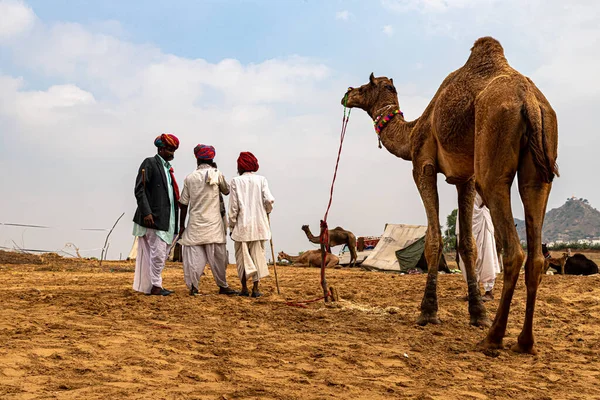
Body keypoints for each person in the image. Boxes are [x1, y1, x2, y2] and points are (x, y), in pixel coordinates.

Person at [178, 144, 238, 296]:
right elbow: (226, 190)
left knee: (194, 260)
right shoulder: (216, 174)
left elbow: (183, 204)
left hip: (195, 226)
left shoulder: (189, 178)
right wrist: (216, 171)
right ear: (212, 159)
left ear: (197, 159)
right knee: (218, 259)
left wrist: (181, 226)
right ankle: (223, 286)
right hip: (214, 226)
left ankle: (193, 287)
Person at [132, 133, 180, 296]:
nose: (172, 153)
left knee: (161, 253)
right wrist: (147, 212)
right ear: (160, 149)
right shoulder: (150, 163)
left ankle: (152, 285)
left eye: (173, 150)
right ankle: (156, 286)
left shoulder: (168, 169)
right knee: (158, 253)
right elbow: (140, 189)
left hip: (167, 219)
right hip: (153, 218)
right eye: (169, 149)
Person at [228, 151, 275, 298]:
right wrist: (266, 211)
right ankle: (255, 289)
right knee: (257, 256)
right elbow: (269, 200)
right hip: (260, 226)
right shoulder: (262, 180)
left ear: (240, 166)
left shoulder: (236, 181)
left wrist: (231, 225)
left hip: (242, 227)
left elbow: (233, 207)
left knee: (242, 258)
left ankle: (244, 288)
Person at [456, 192, 501, 301]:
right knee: (466, 256)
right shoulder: (463, 179)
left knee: (487, 255)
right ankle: (473, 290)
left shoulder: (485, 178)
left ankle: (489, 292)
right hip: (465, 217)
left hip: (482, 218)